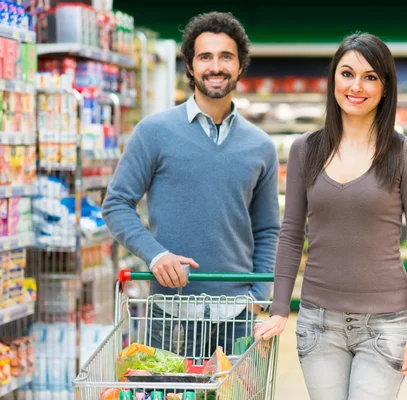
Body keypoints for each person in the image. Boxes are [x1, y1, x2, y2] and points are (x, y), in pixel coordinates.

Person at [254, 32, 407, 399]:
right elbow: (291, 233)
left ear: (385, 87)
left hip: (386, 326)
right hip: (318, 324)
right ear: (333, 79)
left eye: (370, 76)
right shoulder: (306, 149)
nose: (357, 86)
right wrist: (278, 309)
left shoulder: (406, 153)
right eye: (347, 73)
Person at [103, 12, 280, 359]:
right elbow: (116, 204)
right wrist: (156, 255)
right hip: (171, 314)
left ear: (240, 65)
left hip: (237, 317)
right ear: (190, 65)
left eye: (226, 56)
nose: (216, 66)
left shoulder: (261, 146)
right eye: (205, 57)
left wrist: (259, 295)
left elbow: (268, 228)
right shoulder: (154, 132)